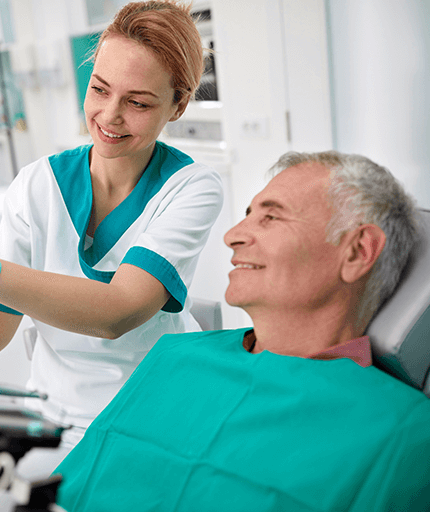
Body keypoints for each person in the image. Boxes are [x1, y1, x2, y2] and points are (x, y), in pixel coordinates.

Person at [0, 0, 223, 496]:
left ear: (177, 106)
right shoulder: (38, 185)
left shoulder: (191, 187)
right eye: (99, 89)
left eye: (138, 102)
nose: (109, 116)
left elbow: (117, 311)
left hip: (155, 418)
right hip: (57, 422)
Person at [52, 150, 430, 512]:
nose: (232, 236)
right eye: (248, 215)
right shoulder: (174, 357)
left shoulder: (401, 431)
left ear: (357, 252)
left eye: (271, 218)